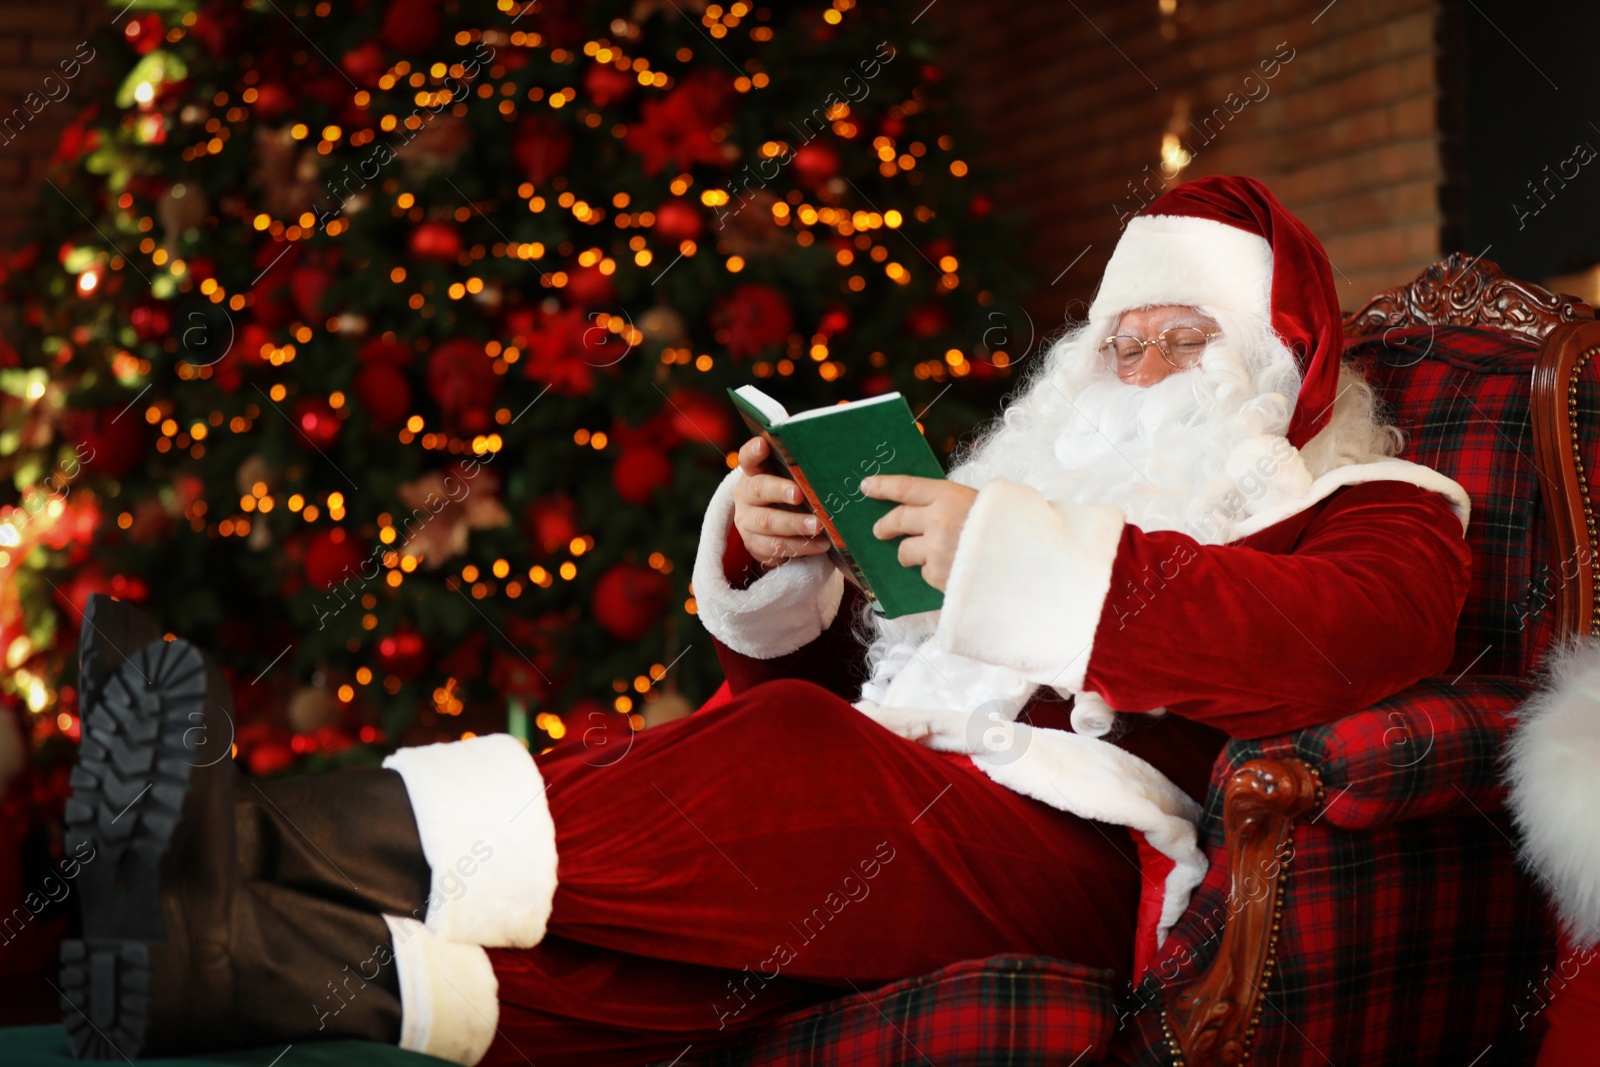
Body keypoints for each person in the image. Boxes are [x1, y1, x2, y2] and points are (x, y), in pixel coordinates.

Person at [58, 175, 1472, 1066]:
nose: (1145, 365)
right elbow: (903, 673)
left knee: (804, 754)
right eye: (1123, 337)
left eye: (1186, 340)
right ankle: (228, 960)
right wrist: (780, 560)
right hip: (921, 801)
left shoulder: (1375, 506)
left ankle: (233, 827)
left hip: (1100, 856)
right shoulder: (1026, 480)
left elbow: (1351, 642)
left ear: (1282, 367)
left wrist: (1033, 561)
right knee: (671, 955)